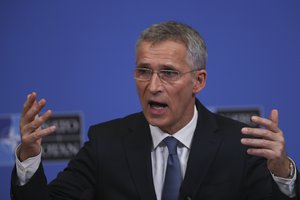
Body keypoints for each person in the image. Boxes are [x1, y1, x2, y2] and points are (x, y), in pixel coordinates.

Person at [11, 21, 299, 200]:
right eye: (143, 71)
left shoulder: (241, 144)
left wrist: (282, 174)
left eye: (169, 73)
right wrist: (29, 156)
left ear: (198, 80)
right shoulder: (106, 143)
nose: (153, 86)